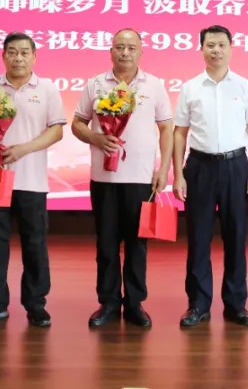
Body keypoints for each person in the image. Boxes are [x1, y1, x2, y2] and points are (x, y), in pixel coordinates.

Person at [72, 29, 173, 328]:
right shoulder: (95, 84)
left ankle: (134, 303)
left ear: (141, 52)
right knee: (106, 244)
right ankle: (108, 302)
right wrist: (95, 137)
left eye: (131, 47)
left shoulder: (154, 85)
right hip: (103, 179)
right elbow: (77, 123)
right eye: (119, 47)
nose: (125, 52)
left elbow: (166, 129)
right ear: (111, 51)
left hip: (141, 179)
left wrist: (163, 169)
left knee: (137, 243)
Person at [0, 32, 65, 328]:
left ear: (34, 56)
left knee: (34, 245)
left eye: (24, 52)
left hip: (32, 181)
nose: (18, 58)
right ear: (3, 56)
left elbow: (56, 130)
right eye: (12, 52)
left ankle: (36, 305)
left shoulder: (47, 89)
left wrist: (25, 149)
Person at [173, 25, 248, 328]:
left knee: (236, 237)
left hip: (236, 167)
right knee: (198, 238)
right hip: (199, 167)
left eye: (222, 45)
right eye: (210, 45)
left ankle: (236, 304)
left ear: (231, 48)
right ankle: (198, 304)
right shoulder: (190, 88)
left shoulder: (244, 87)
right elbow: (179, 133)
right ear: (201, 49)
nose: (216, 50)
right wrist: (178, 174)